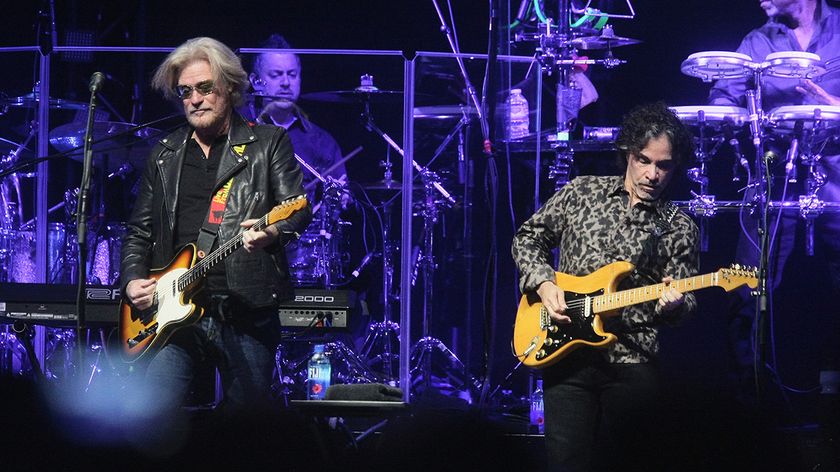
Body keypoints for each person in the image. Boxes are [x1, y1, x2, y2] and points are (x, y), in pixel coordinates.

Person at [119, 37, 312, 413]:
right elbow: (139, 231)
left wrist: (271, 232)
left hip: (245, 309)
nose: (195, 99)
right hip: (170, 315)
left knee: (246, 430)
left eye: (205, 88)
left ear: (230, 87)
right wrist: (130, 281)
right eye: (186, 91)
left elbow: (298, 209)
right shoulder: (165, 153)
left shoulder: (268, 143)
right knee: (151, 419)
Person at [512, 102, 699, 471]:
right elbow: (527, 238)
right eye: (644, 160)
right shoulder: (582, 192)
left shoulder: (679, 226)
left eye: (664, 166)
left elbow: (685, 298)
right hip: (565, 356)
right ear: (627, 153)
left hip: (632, 360)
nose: (653, 174)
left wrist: (674, 305)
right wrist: (545, 284)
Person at [708, 0, 840, 396]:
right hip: (774, 170)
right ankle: (748, 392)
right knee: (747, 281)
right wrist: (723, 111)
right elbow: (725, 96)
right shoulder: (757, 41)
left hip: (835, 168)